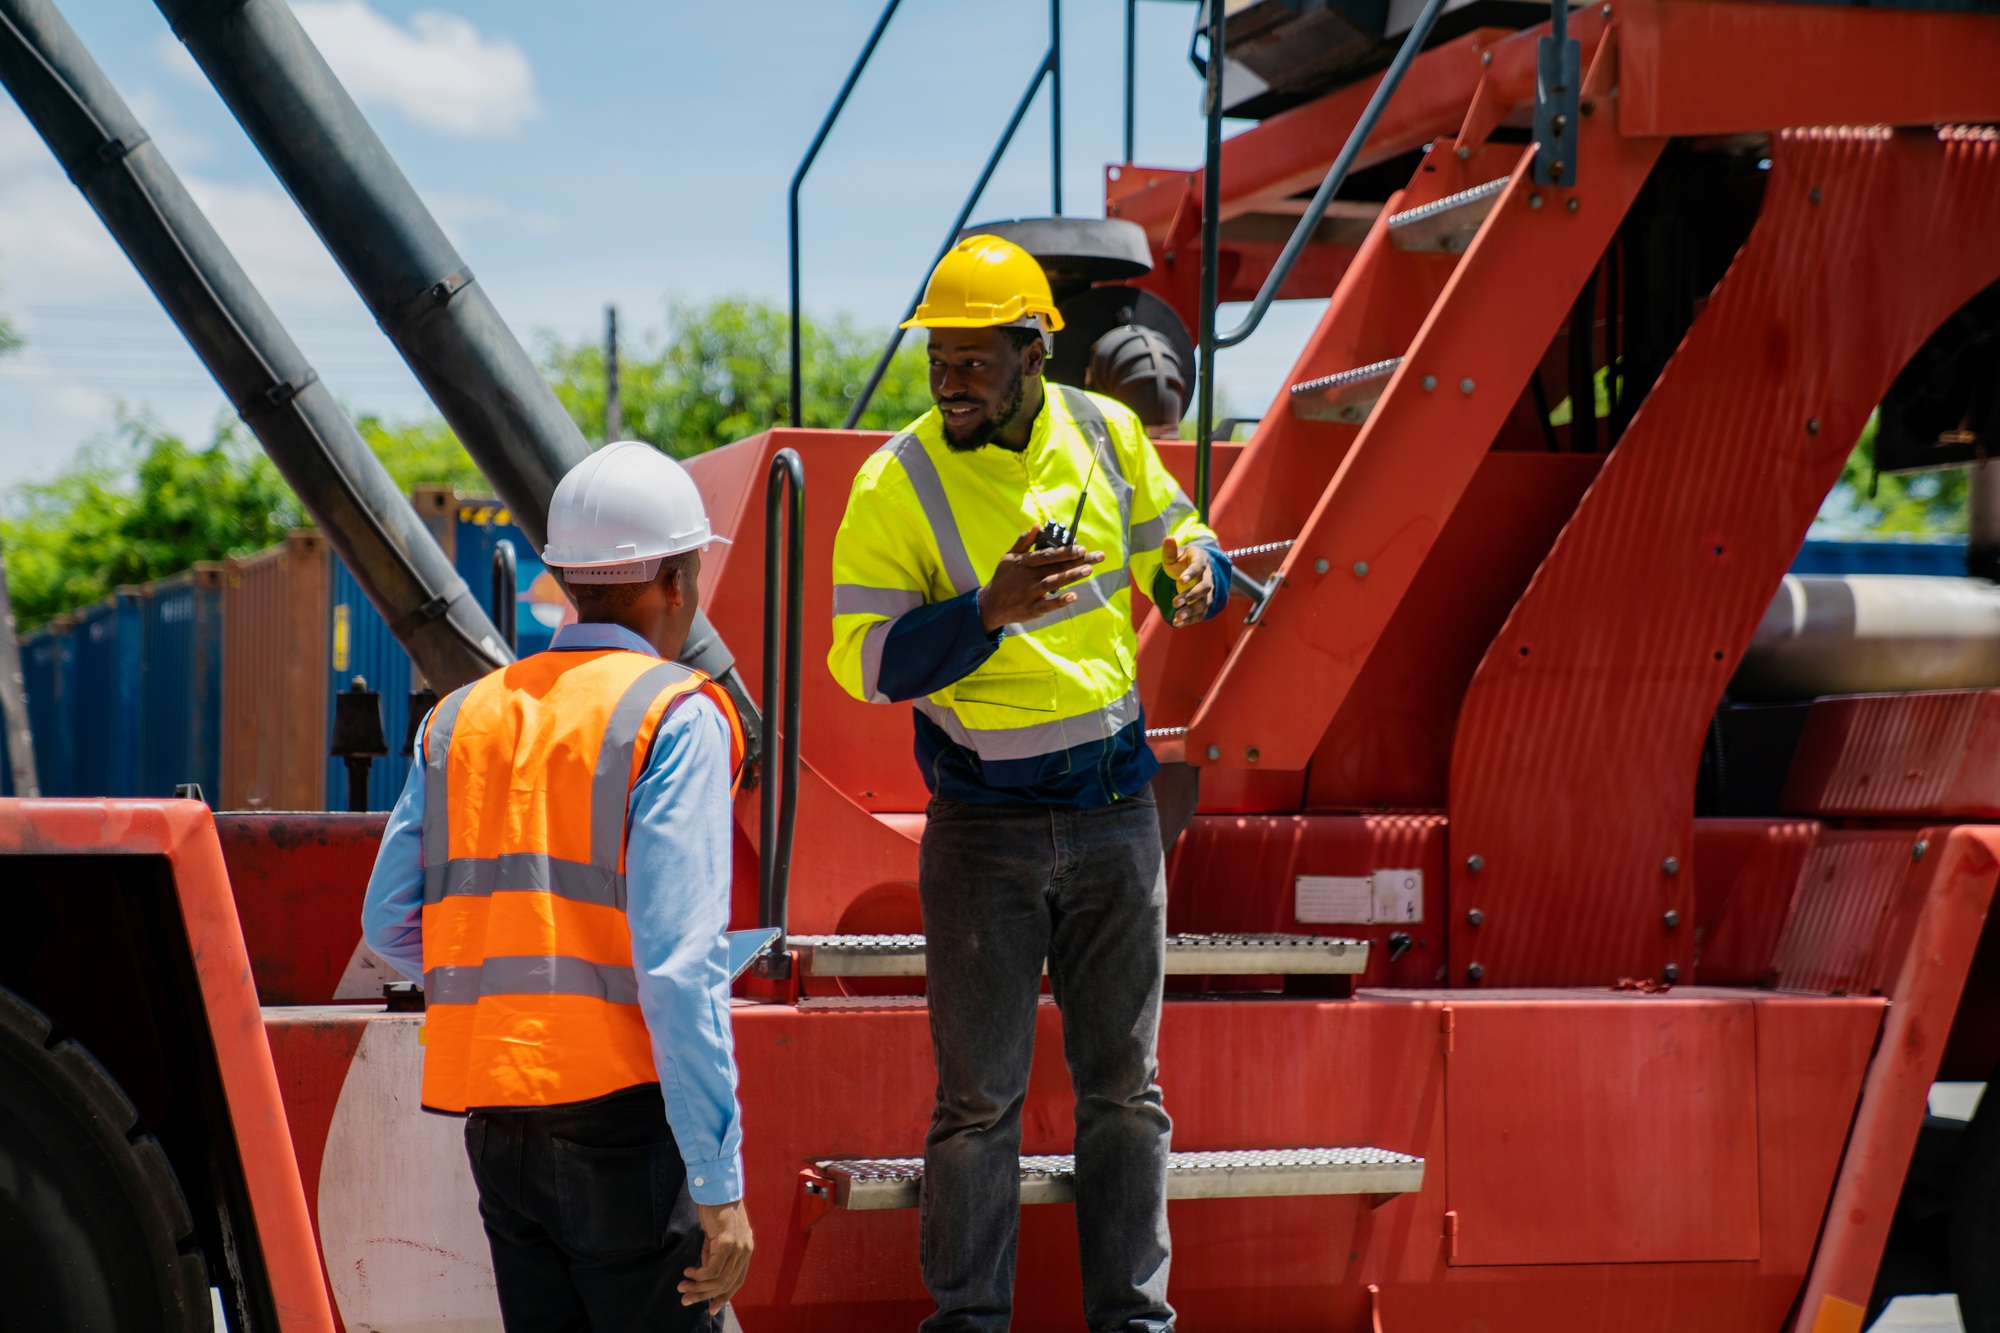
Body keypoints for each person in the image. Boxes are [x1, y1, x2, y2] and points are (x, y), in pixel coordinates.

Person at [827, 234, 1233, 1333]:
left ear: (1032, 351)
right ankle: (966, 1324)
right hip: (982, 830)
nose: (949, 383)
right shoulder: (894, 480)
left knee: (1123, 1096)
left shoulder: (1104, 433)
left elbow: (1177, 541)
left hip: (1113, 816)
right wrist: (985, 611)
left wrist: (1198, 574)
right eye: (937, 361)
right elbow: (860, 662)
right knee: (976, 1106)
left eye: (971, 360)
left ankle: (1132, 1321)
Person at [362, 441, 753, 1332]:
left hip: (497, 1120)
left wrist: (515, 978)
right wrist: (720, 1184)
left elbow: (389, 925)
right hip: (621, 1126)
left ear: (570, 580)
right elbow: (678, 967)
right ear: (676, 580)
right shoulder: (676, 712)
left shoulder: (463, 713)